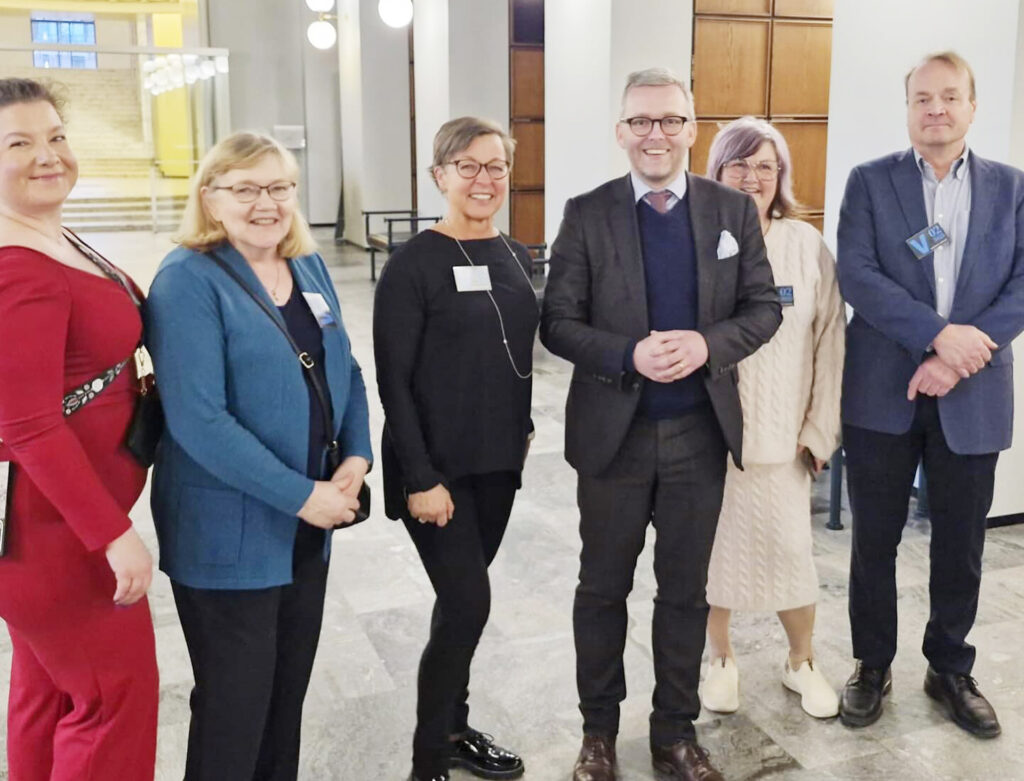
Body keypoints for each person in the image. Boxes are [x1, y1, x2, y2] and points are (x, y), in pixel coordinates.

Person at [541, 68, 782, 781]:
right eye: (642, 121)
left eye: (671, 120)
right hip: (612, 439)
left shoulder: (731, 211)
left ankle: (674, 732)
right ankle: (598, 734)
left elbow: (764, 308)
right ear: (621, 132)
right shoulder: (587, 212)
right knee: (602, 589)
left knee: (684, 593)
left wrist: (708, 344)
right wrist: (628, 354)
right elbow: (557, 321)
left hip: (698, 436)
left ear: (692, 129)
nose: (657, 134)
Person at [145, 131, 372, 780]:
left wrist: (356, 456)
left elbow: (346, 369)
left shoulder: (307, 266)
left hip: (306, 528)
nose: (265, 203)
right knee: (234, 708)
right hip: (229, 535)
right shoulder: (186, 281)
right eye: (245, 188)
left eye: (278, 187)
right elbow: (199, 421)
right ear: (210, 198)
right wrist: (304, 495)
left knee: (283, 700)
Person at [836, 51, 1024, 738]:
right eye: (922, 98)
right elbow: (858, 274)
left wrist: (957, 358)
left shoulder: (1011, 187)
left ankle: (949, 667)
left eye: (949, 96)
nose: (936, 109)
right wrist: (939, 337)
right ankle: (872, 664)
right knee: (874, 540)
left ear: (973, 106)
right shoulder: (870, 181)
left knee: (961, 542)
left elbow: (1021, 283)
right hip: (882, 390)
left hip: (972, 392)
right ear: (909, 108)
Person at [0, 78, 158, 780]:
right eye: (19, 143)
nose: (48, 155)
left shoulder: (47, 234)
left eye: (56, 136)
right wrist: (113, 535)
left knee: (46, 693)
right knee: (112, 702)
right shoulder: (18, 269)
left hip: (46, 527)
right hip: (57, 536)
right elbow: (28, 423)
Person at [374, 116, 537, 781]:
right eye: (467, 166)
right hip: (435, 470)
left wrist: (523, 428)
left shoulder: (516, 254)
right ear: (439, 175)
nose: (483, 179)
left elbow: (514, 351)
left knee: (458, 607)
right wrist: (420, 476)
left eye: (495, 165)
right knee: (469, 603)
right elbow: (393, 380)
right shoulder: (413, 264)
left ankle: (454, 727)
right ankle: (428, 758)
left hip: (496, 463)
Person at [700, 117, 845, 720]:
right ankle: (720, 659)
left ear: (780, 175)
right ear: (717, 170)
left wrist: (820, 428)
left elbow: (830, 338)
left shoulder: (804, 244)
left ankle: (801, 662)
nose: (752, 176)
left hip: (787, 438)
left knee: (791, 553)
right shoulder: (698, 238)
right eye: (739, 163)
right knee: (715, 556)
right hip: (713, 436)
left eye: (766, 165)